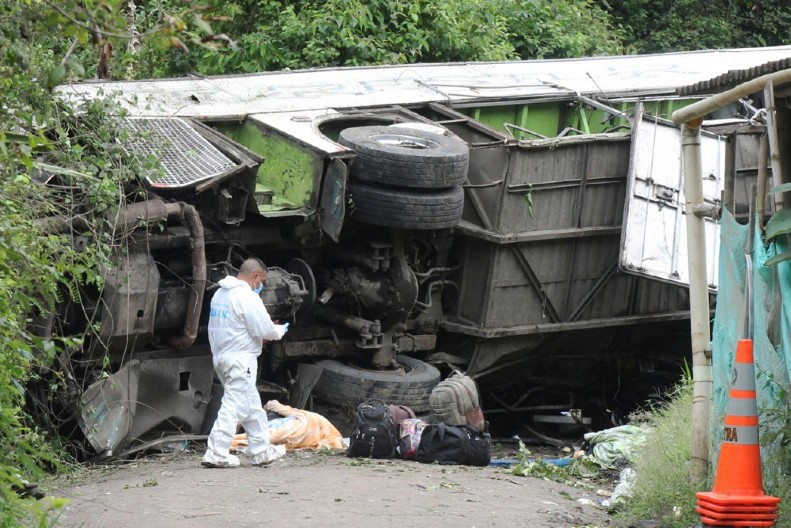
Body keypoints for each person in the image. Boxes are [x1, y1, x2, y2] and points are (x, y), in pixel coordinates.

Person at [202, 258, 289, 468]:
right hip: (241, 360)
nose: (261, 286)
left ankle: (261, 451)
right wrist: (281, 330)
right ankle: (216, 453)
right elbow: (264, 329)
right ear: (255, 277)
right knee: (233, 406)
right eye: (262, 281)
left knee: (251, 407)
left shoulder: (220, 294)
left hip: (222, 357)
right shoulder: (247, 297)